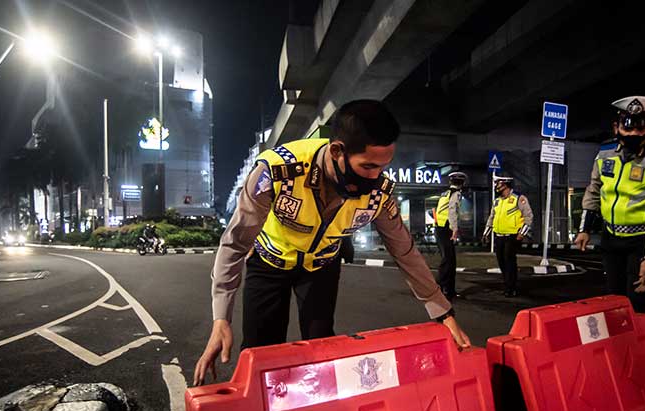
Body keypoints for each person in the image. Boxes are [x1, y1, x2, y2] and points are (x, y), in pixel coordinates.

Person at [194, 100, 471, 385]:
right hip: (269, 263)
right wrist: (221, 319)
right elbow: (235, 243)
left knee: (321, 352)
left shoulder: (378, 193)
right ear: (337, 151)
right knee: (260, 353)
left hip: (321, 266)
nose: (376, 178)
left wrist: (443, 314)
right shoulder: (278, 173)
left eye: (383, 167)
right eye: (368, 166)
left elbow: (404, 251)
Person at [574, 96, 645, 313]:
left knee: (638, 300)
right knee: (614, 298)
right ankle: (618, 344)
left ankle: (640, 344)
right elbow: (594, 189)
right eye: (627, 126)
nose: (633, 133)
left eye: (642, 127)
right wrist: (584, 229)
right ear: (617, 127)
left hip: (642, 239)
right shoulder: (604, 153)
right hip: (611, 237)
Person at [482, 174, 533, 297]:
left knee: (509, 260)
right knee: (501, 261)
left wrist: (522, 233)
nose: (496, 186)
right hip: (499, 235)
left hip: (512, 236)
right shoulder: (497, 201)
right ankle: (508, 283)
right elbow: (491, 217)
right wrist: (486, 233)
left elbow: (528, 216)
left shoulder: (519, 198)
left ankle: (511, 288)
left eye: (498, 183)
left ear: (505, 184)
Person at [433, 171, 467, 300]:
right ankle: (440, 288)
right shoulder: (456, 194)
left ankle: (449, 290)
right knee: (448, 260)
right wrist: (455, 229)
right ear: (462, 183)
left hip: (440, 228)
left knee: (449, 260)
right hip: (446, 228)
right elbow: (452, 211)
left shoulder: (445, 193)